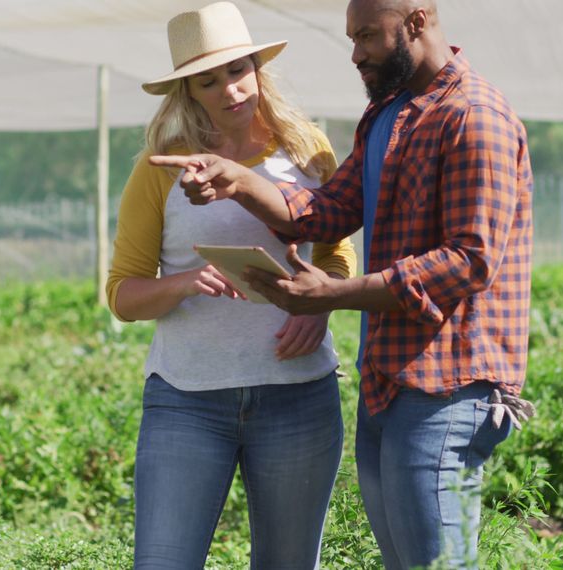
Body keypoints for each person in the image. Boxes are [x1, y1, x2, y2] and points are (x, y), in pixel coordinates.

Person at [150, 0, 536, 568]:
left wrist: (334, 296)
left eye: (367, 37)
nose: (355, 54)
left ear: (417, 21)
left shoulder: (474, 117)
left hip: (449, 385)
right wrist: (241, 182)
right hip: (389, 382)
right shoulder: (390, 115)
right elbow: (327, 211)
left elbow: (470, 260)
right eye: (351, 39)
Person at [106, 2, 358, 568]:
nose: (230, 90)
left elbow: (337, 255)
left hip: (298, 395)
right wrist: (185, 283)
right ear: (188, 91)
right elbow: (123, 294)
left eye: (238, 70)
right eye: (209, 80)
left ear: (257, 68)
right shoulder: (160, 170)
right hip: (187, 401)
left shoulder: (307, 151)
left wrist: (318, 310)